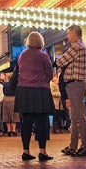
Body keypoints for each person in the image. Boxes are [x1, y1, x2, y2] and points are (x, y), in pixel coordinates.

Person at [14, 31, 54, 161]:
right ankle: (42, 151)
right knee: (42, 121)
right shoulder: (43, 56)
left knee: (26, 122)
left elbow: (19, 71)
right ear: (40, 42)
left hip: (24, 91)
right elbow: (49, 73)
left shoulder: (22, 55)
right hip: (40, 91)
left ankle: (26, 150)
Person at [55, 24, 86, 157]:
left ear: (74, 34)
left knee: (79, 116)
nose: (67, 36)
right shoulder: (80, 46)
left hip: (75, 84)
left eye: (68, 33)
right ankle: (73, 145)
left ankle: (85, 145)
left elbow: (60, 62)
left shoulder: (76, 47)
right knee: (75, 116)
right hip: (75, 84)